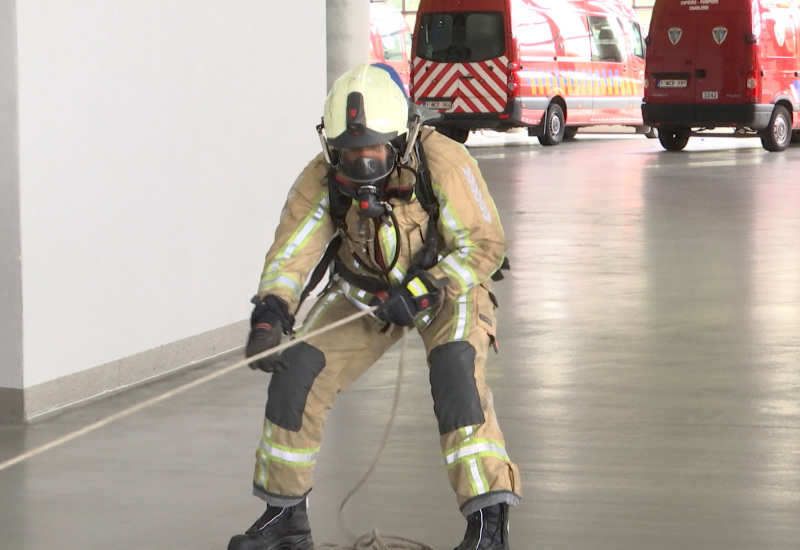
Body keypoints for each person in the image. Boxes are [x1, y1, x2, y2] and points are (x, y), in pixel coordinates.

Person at [228, 63, 521, 550]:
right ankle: (283, 521)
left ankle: (489, 527)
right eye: (350, 153)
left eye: (373, 149)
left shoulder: (444, 161)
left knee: (456, 376)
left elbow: (484, 245)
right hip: (366, 294)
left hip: (449, 288)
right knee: (298, 372)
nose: (361, 163)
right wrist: (271, 312)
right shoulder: (321, 178)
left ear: (402, 136)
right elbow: (293, 251)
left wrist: (426, 288)